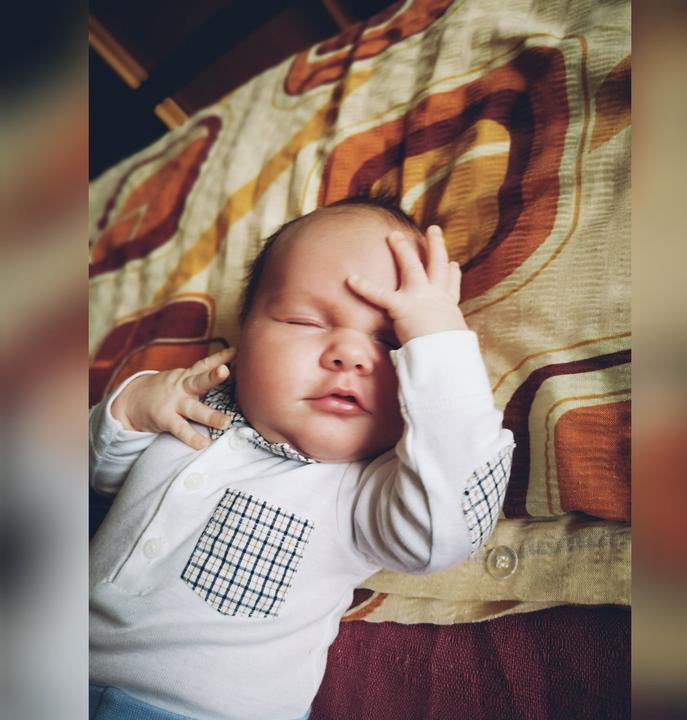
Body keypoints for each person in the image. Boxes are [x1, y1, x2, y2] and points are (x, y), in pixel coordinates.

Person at [89, 194, 515, 720]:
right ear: (245, 329)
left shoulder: (365, 491)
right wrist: (131, 406)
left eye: (392, 342)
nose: (350, 354)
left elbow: (453, 521)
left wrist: (438, 339)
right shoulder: (186, 411)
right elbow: (94, 475)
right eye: (306, 321)